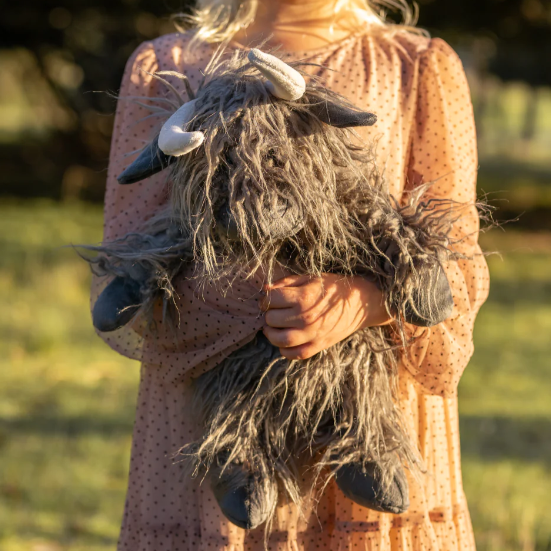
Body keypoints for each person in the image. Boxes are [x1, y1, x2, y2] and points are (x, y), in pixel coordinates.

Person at [95, 0, 490, 549]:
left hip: (371, 417)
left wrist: (365, 300)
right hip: (209, 434)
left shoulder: (415, 65)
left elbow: (458, 257)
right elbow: (126, 252)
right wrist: (252, 296)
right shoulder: (167, 65)